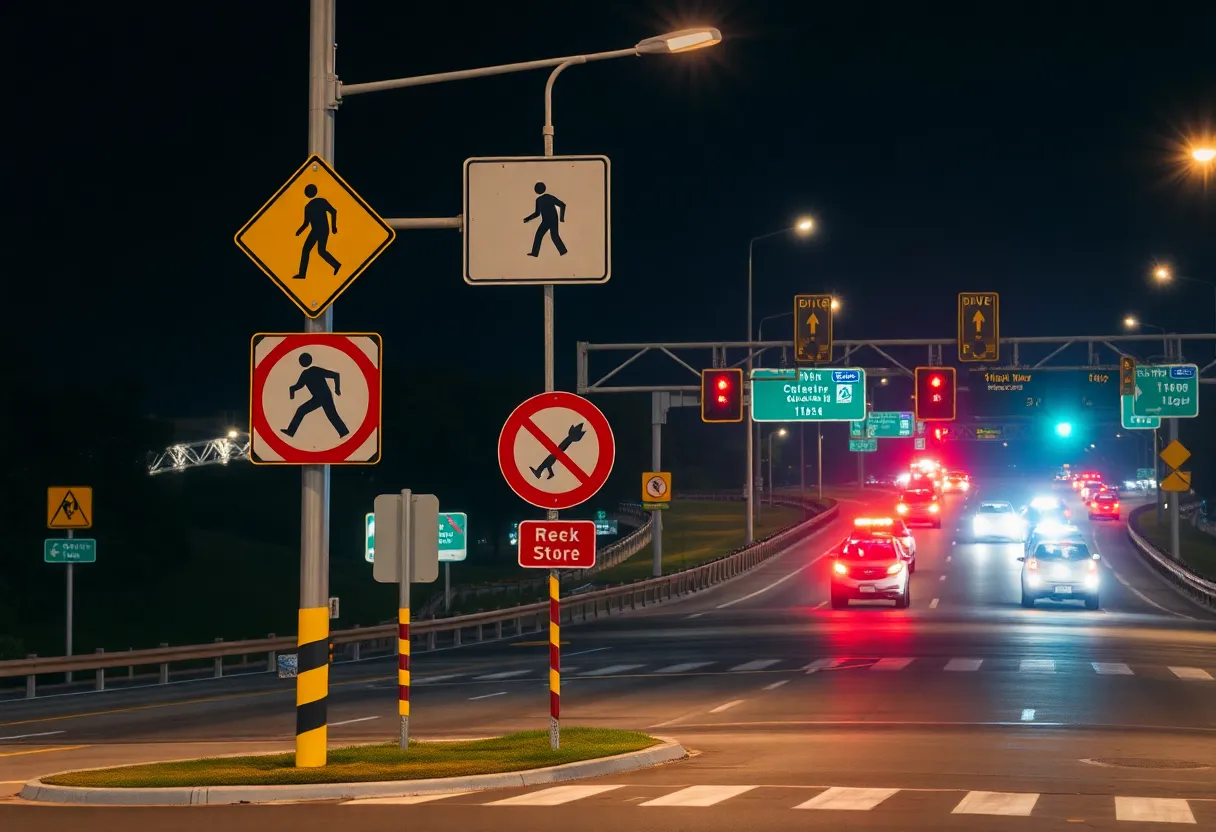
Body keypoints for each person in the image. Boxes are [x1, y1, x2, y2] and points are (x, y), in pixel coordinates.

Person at [282, 352, 349, 438]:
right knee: (301, 410)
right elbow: (299, 386)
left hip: (325, 396)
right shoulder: (306, 373)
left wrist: (337, 389)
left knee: (332, 415)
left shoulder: (313, 370)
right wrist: (292, 390)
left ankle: (344, 433)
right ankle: (290, 431)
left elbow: (335, 375)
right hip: (318, 398)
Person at [292, 183, 342, 280]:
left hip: (319, 230)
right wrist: (333, 227)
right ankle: (336, 265)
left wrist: (334, 227)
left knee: (315, 251)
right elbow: (333, 212)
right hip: (319, 230)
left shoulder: (310, 205)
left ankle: (336, 265)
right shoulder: (319, 202)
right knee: (317, 251)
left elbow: (333, 211)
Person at [523, 182, 567, 257]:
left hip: (552, 220)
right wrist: (527, 219)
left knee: (554, 236)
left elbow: (562, 205)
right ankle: (535, 253)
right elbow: (537, 213)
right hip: (546, 221)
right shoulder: (539, 200)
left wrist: (561, 218)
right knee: (539, 235)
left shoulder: (546, 198)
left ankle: (563, 251)